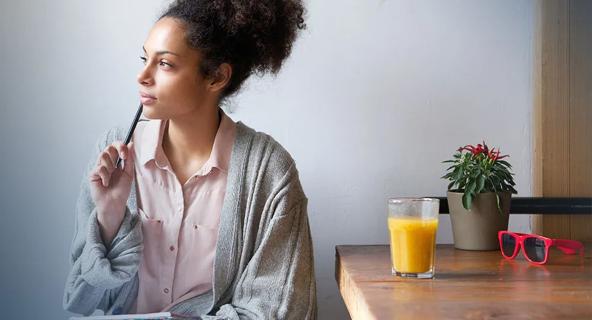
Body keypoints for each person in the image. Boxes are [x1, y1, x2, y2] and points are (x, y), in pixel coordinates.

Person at [63, 0, 316, 318]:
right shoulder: (114, 155)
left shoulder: (270, 172)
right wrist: (110, 219)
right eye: (145, 59)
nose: (143, 76)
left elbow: (280, 311)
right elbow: (80, 301)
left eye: (165, 64)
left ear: (216, 77)